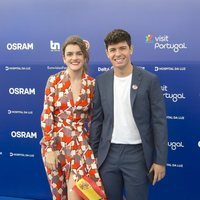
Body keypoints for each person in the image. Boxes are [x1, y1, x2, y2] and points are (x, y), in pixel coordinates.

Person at [89, 29, 168, 200]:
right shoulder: (101, 82)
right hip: (108, 155)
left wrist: (160, 160)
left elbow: (159, 122)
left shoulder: (149, 80)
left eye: (122, 48)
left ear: (131, 49)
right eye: (113, 50)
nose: (118, 54)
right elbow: (97, 121)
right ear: (107, 53)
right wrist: (94, 154)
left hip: (138, 155)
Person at [40, 36, 106, 200]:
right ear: (64, 58)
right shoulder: (54, 81)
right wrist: (49, 149)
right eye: (69, 54)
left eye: (78, 54)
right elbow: (47, 115)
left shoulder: (92, 84)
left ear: (85, 57)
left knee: (77, 194)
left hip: (79, 146)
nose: (74, 58)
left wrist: (94, 150)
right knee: (60, 195)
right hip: (55, 145)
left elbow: (94, 121)